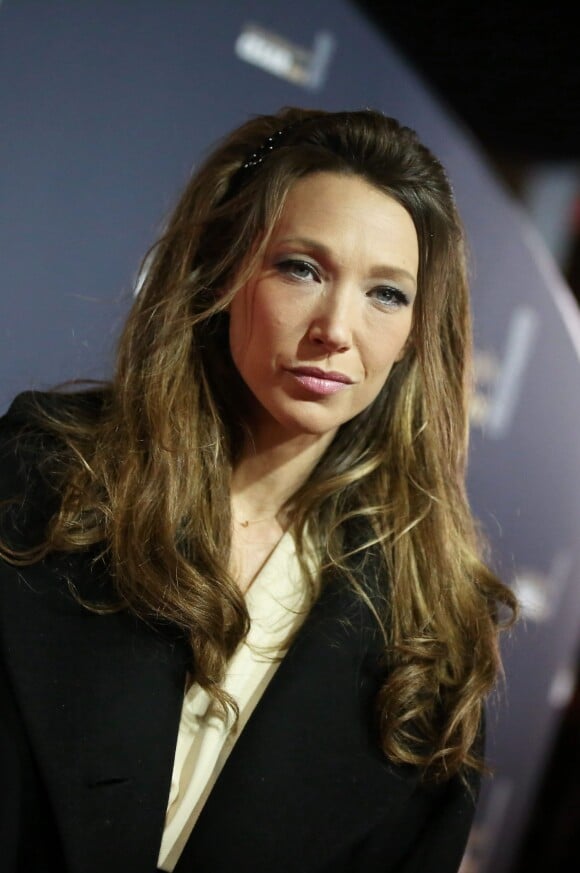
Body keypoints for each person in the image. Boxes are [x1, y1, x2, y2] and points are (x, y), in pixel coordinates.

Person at [0, 106, 517, 873]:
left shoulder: (433, 626)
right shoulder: (46, 479)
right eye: (302, 268)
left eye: (386, 293)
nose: (336, 328)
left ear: (416, 332)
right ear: (225, 266)